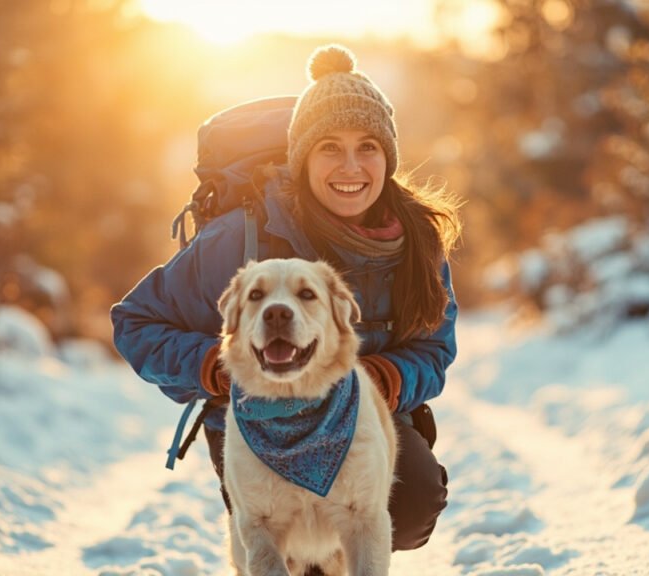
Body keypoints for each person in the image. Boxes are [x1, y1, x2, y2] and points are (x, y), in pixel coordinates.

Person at [110, 44, 461, 554]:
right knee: (281, 542)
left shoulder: (416, 243)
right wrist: (211, 366)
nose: (350, 167)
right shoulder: (240, 239)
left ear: (388, 156)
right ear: (302, 157)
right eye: (328, 148)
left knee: (408, 507)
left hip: (361, 424)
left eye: (368, 146)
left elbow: (435, 348)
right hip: (259, 429)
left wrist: (387, 379)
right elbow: (136, 322)